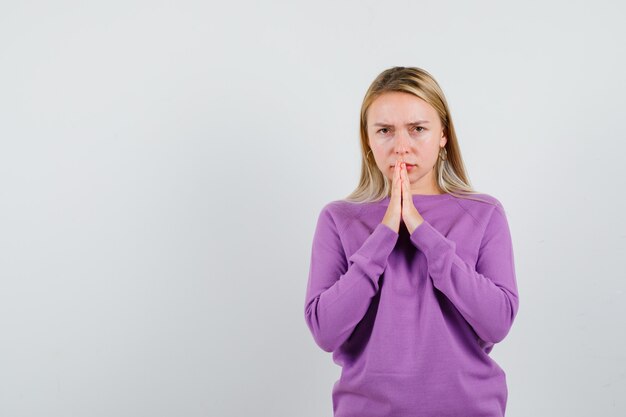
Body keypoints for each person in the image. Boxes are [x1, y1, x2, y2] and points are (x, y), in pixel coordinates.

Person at [303, 66, 520, 417]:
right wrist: (385, 233)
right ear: (368, 140)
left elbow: (497, 322)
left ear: (443, 135)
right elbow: (326, 332)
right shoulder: (338, 219)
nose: (401, 146)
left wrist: (421, 231)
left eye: (418, 129)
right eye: (385, 131)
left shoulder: (484, 213)